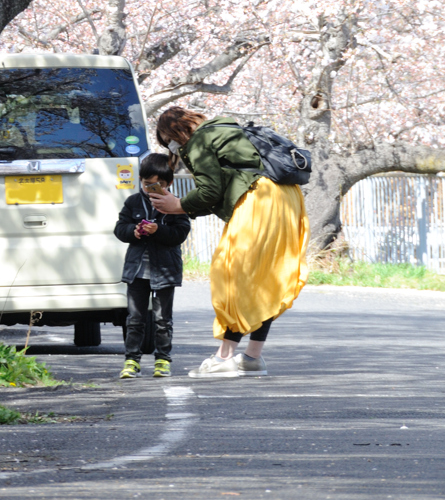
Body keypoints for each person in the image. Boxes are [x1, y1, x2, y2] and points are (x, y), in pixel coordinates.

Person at [148, 107, 309, 379]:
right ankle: (252, 359)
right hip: (287, 198)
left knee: (231, 274)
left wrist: (178, 205)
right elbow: (225, 188)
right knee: (265, 277)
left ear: (173, 131)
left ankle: (224, 357)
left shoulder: (199, 141)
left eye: (167, 140)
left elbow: (210, 191)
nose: (170, 146)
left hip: (259, 201)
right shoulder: (228, 130)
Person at [114, 152, 191, 379]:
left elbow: (180, 233)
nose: (151, 189)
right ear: (141, 180)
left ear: (169, 183)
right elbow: (120, 229)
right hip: (137, 271)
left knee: (162, 319)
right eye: (147, 184)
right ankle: (131, 361)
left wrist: (160, 230)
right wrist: (134, 231)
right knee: (135, 318)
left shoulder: (177, 205)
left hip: (165, 270)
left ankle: (162, 361)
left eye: (158, 185)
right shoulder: (133, 202)